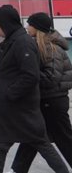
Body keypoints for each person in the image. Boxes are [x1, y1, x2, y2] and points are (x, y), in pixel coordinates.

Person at [0, 5, 68, 173]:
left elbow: (31, 76)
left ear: (6, 23)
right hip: (10, 109)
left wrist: (9, 93)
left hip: (27, 108)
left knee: (46, 143)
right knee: (0, 146)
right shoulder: (12, 42)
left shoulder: (24, 44)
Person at [10, 12, 72, 173]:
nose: (26, 27)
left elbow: (52, 77)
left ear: (37, 28)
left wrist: (30, 75)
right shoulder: (42, 46)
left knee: (63, 138)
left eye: (29, 24)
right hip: (48, 100)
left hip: (53, 101)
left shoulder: (51, 48)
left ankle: (17, 170)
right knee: (33, 136)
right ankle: (17, 169)